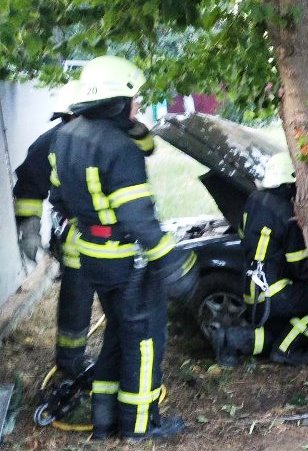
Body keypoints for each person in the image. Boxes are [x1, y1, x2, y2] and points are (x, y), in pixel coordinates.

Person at [50, 55, 196, 440]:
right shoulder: (119, 147)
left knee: (117, 332)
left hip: (92, 255)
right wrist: (170, 259)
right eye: (133, 99)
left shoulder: (65, 136)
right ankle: (140, 425)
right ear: (114, 101)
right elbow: (137, 218)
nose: (137, 106)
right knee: (145, 341)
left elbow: (58, 194)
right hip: (126, 260)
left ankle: (104, 421)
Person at [12, 81, 96, 379]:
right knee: (76, 304)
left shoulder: (101, 139)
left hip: (110, 242)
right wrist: (30, 229)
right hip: (76, 241)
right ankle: (70, 366)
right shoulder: (50, 143)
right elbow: (28, 188)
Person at [210, 152, 308, 368]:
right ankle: (285, 351)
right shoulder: (287, 213)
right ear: (290, 181)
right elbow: (299, 265)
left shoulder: (253, 200)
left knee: (273, 334)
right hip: (275, 293)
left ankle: (229, 338)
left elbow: (243, 234)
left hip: (252, 290)